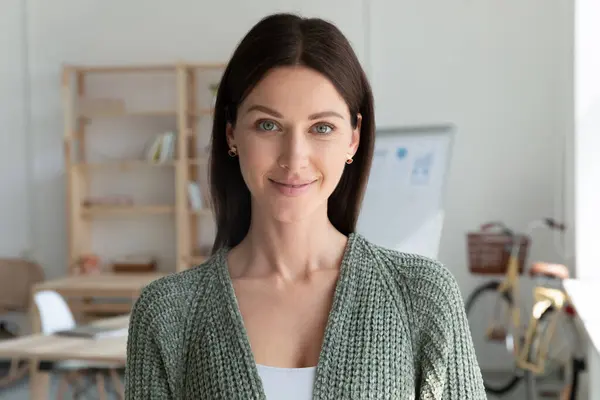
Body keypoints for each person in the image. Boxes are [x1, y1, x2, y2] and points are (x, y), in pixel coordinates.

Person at [125, 13, 486, 399]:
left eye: (322, 128)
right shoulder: (167, 313)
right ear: (231, 134)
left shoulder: (423, 297)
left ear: (354, 138)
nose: (294, 159)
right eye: (268, 125)